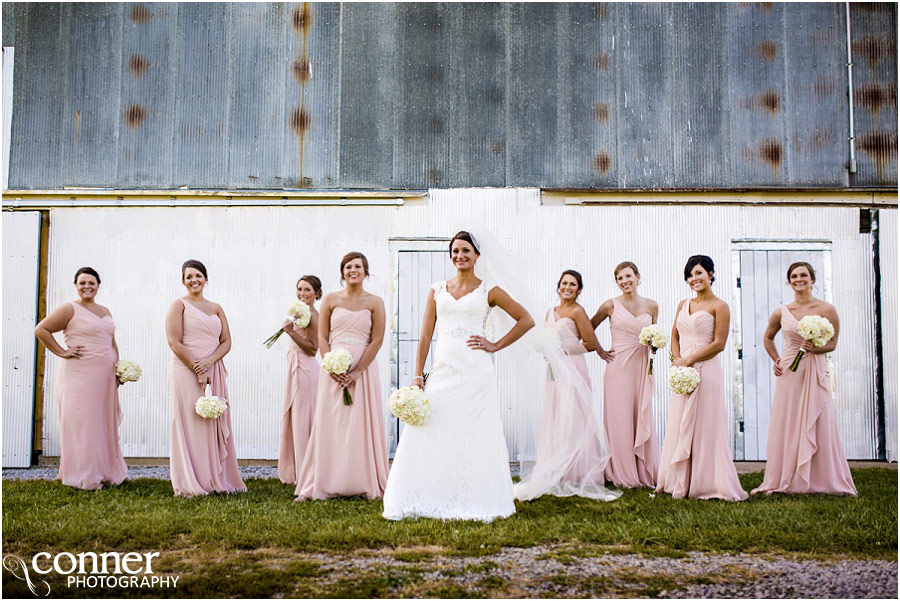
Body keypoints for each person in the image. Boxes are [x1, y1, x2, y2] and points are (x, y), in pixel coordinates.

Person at [383, 230, 535, 521]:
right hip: (443, 369)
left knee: (474, 433)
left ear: (477, 255)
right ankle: (428, 493)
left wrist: (494, 345)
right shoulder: (437, 290)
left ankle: (476, 495)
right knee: (431, 428)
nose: (460, 256)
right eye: (455, 251)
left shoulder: (489, 291)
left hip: (476, 372)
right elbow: (426, 334)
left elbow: (526, 320)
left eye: (466, 250)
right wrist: (417, 376)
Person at [513, 270, 621, 502]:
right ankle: (557, 469)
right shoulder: (549, 312)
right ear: (558, 286)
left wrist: (560, 350)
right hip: (553, 371)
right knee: (555, 415)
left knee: (574, 416)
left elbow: (589, 343)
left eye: (573, 284)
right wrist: (547, 350)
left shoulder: (577, 311)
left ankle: (579, 470)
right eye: (564, 283)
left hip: (574, 368)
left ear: (579, 289)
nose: (568, 287)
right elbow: (546, 339)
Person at [752, 262, 856, 496]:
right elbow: (768, 338)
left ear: (812, 279)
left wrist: (815, 347)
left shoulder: (826, 309)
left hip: (815, 370)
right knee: (788, 421)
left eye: (804, 275)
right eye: (794, 276)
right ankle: (787, 475)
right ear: (789, 282)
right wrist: (776, 359)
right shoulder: (781, 312)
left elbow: (833, 343)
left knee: (818, 418)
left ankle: (820, 478)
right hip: (790, 371)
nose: (799, 279)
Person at [295, 253, 389, 500]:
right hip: (333, 370)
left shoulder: (375, 302)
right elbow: (323, 337)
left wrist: (357, 371)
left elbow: (377, 339)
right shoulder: (330, 300)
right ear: (342, 272)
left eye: (357, 266)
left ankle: (363, 481)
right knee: (332, 424)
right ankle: (324, 482)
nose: (353, 270)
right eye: (348, 267)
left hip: (363, 368)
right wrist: (330, 365)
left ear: (365, 271)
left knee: (360, 423)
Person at [656, 256, 748, 501]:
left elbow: (719, 344)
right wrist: (678, 361)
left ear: (710, 274)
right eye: (689, 275)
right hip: (683, 372)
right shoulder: (682, 304)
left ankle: (706, 481)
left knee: (705, 424)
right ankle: (677, 480)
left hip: (706, 370)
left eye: (698, 273)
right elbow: (674, 335)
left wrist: (690, 360)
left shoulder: (720, 306)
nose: (694, 279)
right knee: (679, 422)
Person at [34, 267, 128, 490]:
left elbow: (111, 342)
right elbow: (42, 330)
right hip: (79, 376)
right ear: (76, 285)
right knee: (83, 423)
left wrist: (119, 369)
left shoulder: (105, 310)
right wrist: (62, 351)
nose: (87, 286)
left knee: (102, 422)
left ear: (98, 285)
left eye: (91, 283)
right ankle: (83, 474)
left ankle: (104, 470)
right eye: (82, 283)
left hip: (104, 377)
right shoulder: (69, 309)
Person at [165, 260, 246, 497]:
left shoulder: (216, 307)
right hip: (185, 369)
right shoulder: (178, 305)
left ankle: (216, 477)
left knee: (213, 421)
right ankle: (193, 480)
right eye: (189, 276)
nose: (194, 280)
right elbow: (174, 341)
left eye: (198, 275)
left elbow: (227, 342)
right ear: (183, 281)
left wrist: (210, 363)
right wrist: (196, 367)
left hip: (214, 369)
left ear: (206, 278)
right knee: (191, 422)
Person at [591, 261, 660, 488]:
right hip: (618, 368)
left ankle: (642, 468)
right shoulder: (610, 306)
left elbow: (655, 339)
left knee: (639, 414)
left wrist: (655, 345)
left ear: (638, 277)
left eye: (628, 276)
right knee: (620, 419)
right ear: (617, 282)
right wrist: (600, 351)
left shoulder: (652, 306)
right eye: (620, 278)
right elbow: (587, 327)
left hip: (641, 367)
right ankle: (621, 470)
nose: (625, 282)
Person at [278, 275, 322, 485]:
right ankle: (295, 470)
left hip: (306, 369)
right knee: (295, 417)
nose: (302, 294)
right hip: (294, 367)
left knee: (304, 418)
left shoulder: (314, 315)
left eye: (307, 290)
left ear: (316, 294)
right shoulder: (300, 313)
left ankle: (307, 471)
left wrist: (290, 332)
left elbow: (314, 349)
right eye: (299, 289)